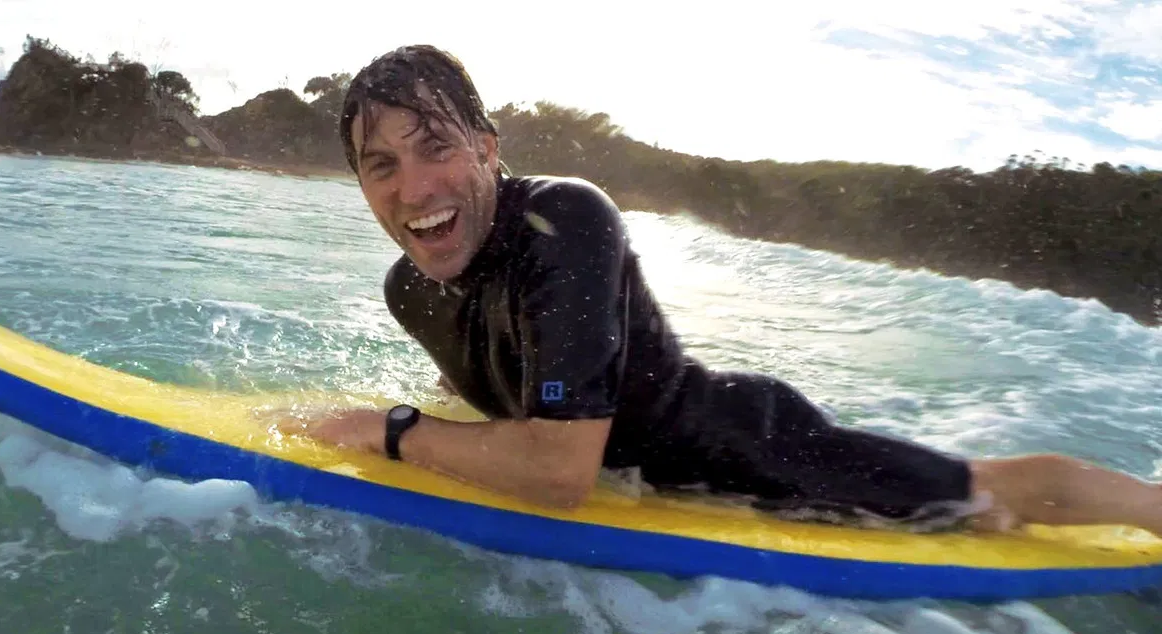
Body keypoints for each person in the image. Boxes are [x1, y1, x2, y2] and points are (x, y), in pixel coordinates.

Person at [272, 44, 1162, 537]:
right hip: (630, 477)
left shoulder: (565, 219)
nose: (413, 188)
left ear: (486, 147)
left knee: (988, 496)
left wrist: (386, 431)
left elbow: (559, 476)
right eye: (381, 165)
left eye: (435, 147)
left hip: (745, 453)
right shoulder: (410, 290)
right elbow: (481, 377)